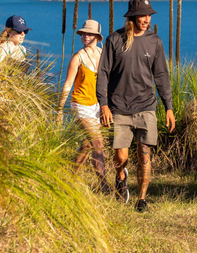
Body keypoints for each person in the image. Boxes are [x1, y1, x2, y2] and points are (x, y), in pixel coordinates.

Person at [96, 0, 176, 212]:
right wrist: (103, 104)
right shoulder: (115, 39)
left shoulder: (154, 41)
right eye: (142, 15)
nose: (147, 19)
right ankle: (121, 178)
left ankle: (141, 199)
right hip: (119, 106)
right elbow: (103, 72)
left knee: (144, 153)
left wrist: (168, 106)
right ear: (132, 16)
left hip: (146, 106)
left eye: (149, 15)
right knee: (121, 157)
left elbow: (161, 76)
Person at [58, 20, 110, 192]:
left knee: (87, 144)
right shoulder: (77, 57)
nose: (85, 36)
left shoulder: (103, 54)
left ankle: (70, 178)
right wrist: (59, 110)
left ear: (97, 36)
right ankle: (104, 184)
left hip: (97, 105)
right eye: (83, 34)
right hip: (80, 105)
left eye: (89, 34)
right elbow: (67, 85)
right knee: (97, 142)